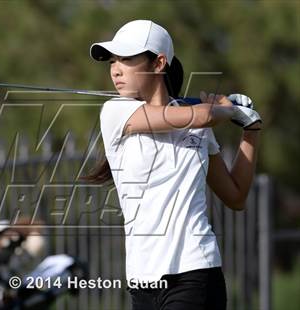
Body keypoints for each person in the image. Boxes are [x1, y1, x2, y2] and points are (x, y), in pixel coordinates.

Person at [81, 20, 262, 310]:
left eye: (127, 59)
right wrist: (228, 109)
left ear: (158, 63)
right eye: (113, 61)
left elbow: (236, 195)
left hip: (196, 272)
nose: (115, 69)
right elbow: (201, 116)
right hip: (142, 282)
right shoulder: (115, 111)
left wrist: (250, 129)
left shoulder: (200, 125)